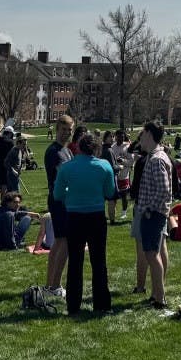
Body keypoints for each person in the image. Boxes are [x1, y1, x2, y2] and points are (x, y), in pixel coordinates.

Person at [53, 131, 115, 315]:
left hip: (74, 217)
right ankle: (102, 304)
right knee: (99, 261)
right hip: (96, 217)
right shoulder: (104, 166)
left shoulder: (67, 168)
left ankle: (73, 305)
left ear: (78, 147)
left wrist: (70, 194)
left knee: (75, 262)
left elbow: (57, 195)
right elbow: (110, 192)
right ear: (97, 148)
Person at [136, 123, 173, 309]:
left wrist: (150, 209)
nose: (140, 138)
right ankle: (157, 295)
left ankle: (160, 297)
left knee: (152, 254)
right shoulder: (155, 156)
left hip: (153, 214)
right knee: (152, 254)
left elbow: (164, 190)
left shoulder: (157, 159)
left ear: (150, 134)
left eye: (142, 134)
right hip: (154, 213)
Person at [43, 116, 73, 298]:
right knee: (64, 242)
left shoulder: (67, 151)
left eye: (69, 130)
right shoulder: (53, 151)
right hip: (59, 200)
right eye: (64, 130)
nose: (67, 133)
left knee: (59, 241)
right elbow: (62, 178)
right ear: (57, 130)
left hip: (64, 200)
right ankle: (55, 286)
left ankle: (50, 284)